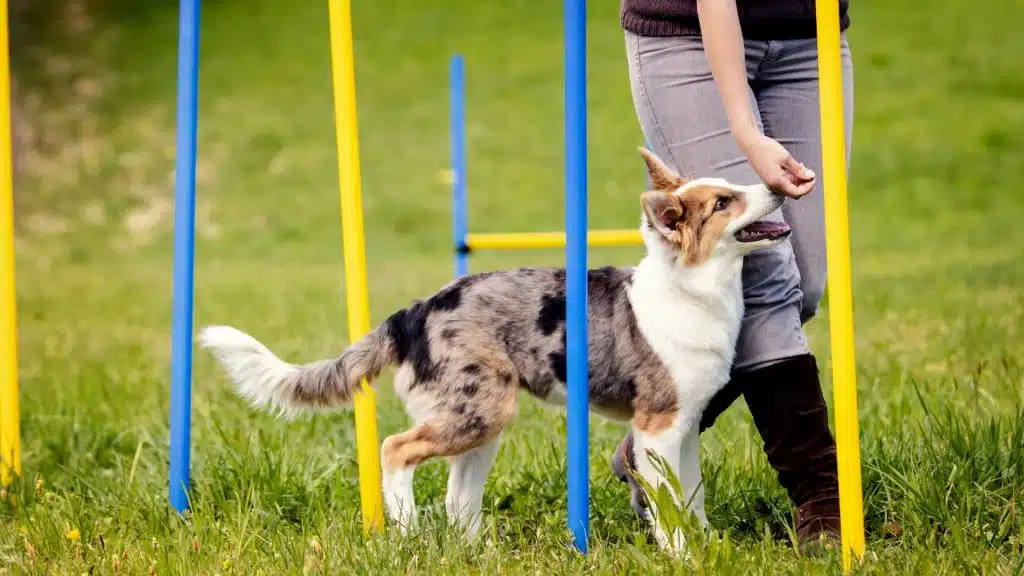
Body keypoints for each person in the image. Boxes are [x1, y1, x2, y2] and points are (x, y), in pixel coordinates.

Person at [609, 0, 855, 551]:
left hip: (808, 39)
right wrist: (746, 133)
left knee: (805, 282)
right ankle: (823, 500)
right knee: (767, 278)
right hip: (687, 39)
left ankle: (654, 431)